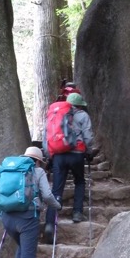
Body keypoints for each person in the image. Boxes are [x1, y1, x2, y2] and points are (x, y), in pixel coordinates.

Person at [0, 146, 61, 258]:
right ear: (38, 161)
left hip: (7, 217)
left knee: (22, 246)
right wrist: (57, 206)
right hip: (27, 219)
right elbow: (47, 195)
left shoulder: (11, 168)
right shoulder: (38, 171)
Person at [44, 92, 94, 242]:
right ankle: (77, 212)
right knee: (79, 181)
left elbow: (46, 136)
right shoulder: (82, 116)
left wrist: (49, 156)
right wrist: (89, 152)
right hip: (77, 154)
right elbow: (88, 136)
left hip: (59, 155)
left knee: (56, 189)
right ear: (79, 105)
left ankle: (49, 223)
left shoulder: (55, 113)